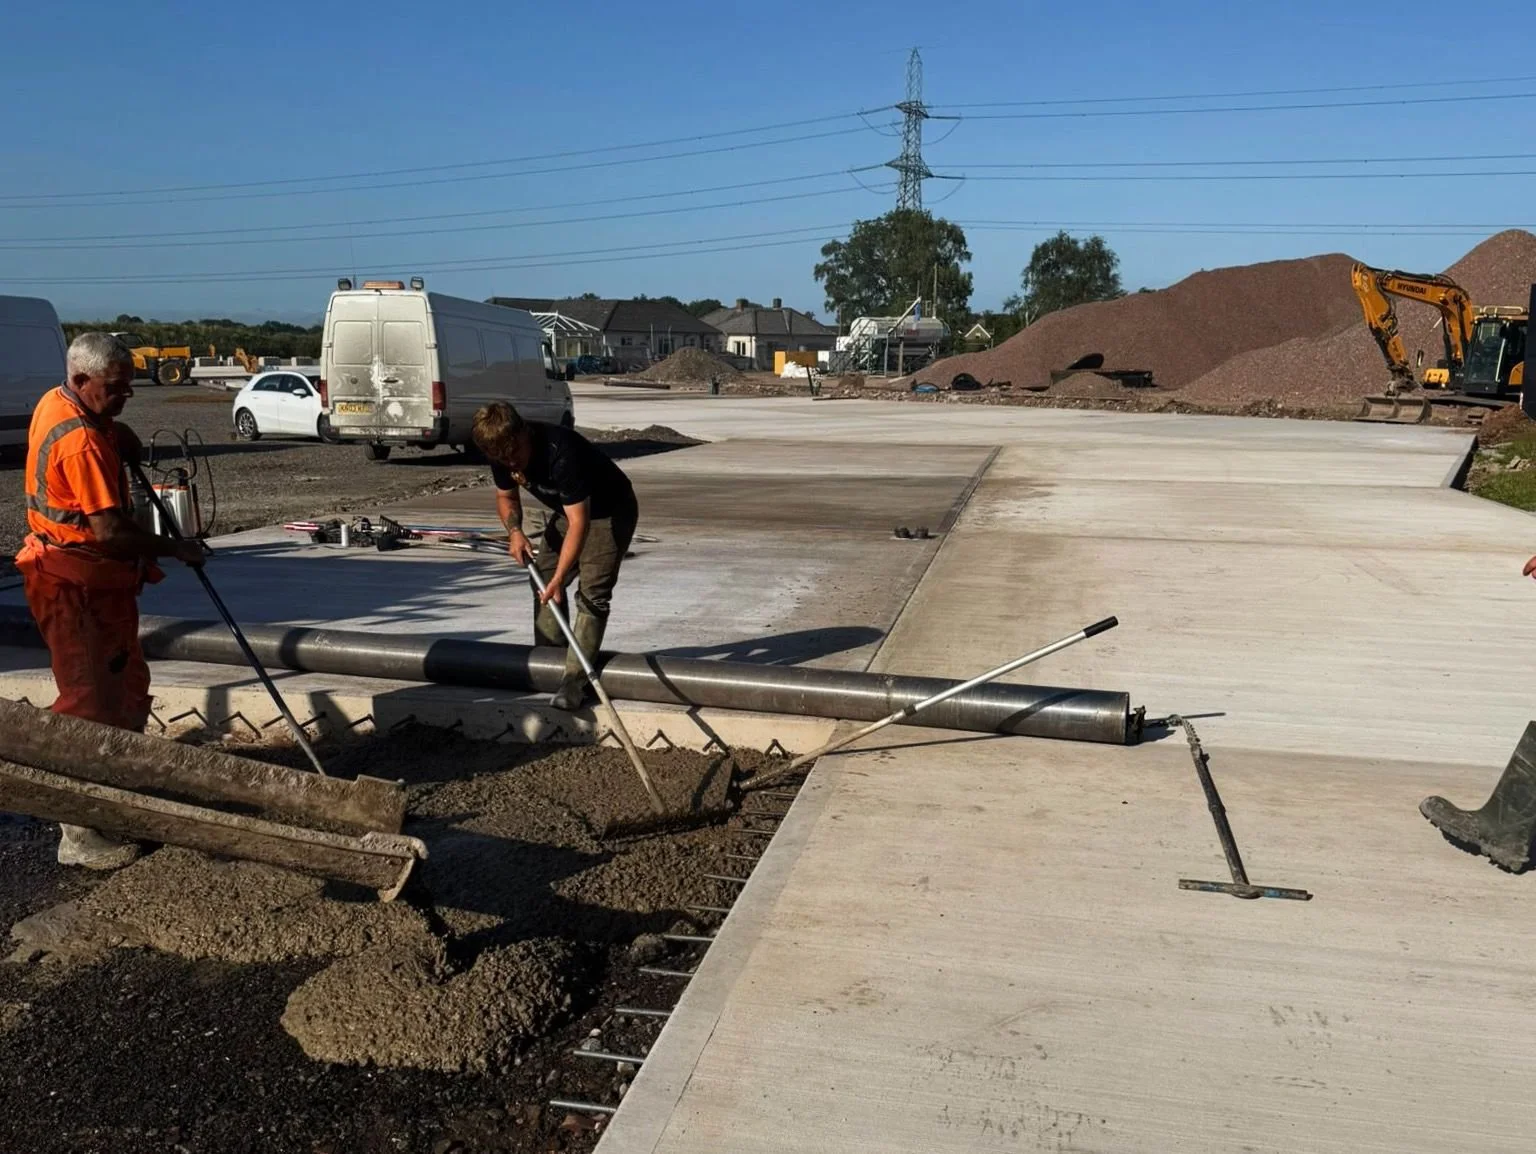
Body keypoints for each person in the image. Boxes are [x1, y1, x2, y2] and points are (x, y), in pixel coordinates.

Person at [15, 332, 207, 870]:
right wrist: (177, 548)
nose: (126, 397)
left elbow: (98, 431)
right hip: (72, 583)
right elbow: (109, 532)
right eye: (116, 390)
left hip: (102, 585)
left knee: (127, 684)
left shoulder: (63, 402)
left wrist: (113, 426)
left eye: (128, 389)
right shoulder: (78, 440)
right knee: (87, 701)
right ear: (81, 381)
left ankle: (123, 784)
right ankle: (78, 828)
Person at [472, 403, 639, 711]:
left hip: (610, 509)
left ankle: (575, 682)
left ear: (524, 433)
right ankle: (549, 667)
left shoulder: (561, 452)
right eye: (503, 459)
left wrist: (561, 578)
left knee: (592, 594)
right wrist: (515, 532)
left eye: (515, 454)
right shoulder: (501, 451)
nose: (512, 463)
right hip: (569, 511)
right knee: (543, 583)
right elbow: (506, 496)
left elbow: (580, 523)